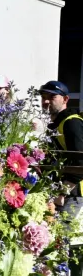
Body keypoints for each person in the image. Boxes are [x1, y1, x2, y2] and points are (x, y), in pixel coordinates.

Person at [39, 80, 83, 212]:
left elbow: (81, 162)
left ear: (65, 99)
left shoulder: (71, 123)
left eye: (52, 97)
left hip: (74, 195)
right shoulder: (55, 125)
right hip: (61, 193)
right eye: (43, 97)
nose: (46, 101)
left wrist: (62, 192)